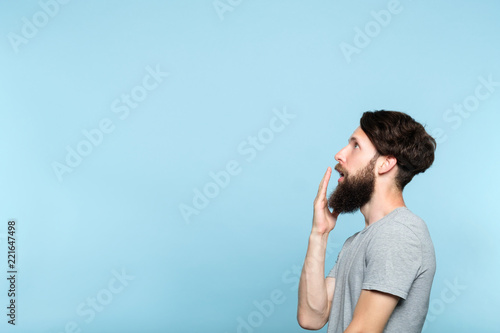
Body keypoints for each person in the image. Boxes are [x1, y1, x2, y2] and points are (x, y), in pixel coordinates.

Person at [297, 110, 437, 333]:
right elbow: (312, 317)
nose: (339, 155)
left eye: (355, 146)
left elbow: (363, 330)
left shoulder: (397, 233)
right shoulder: (358, 241)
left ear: (386, 164)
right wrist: (319, 234)